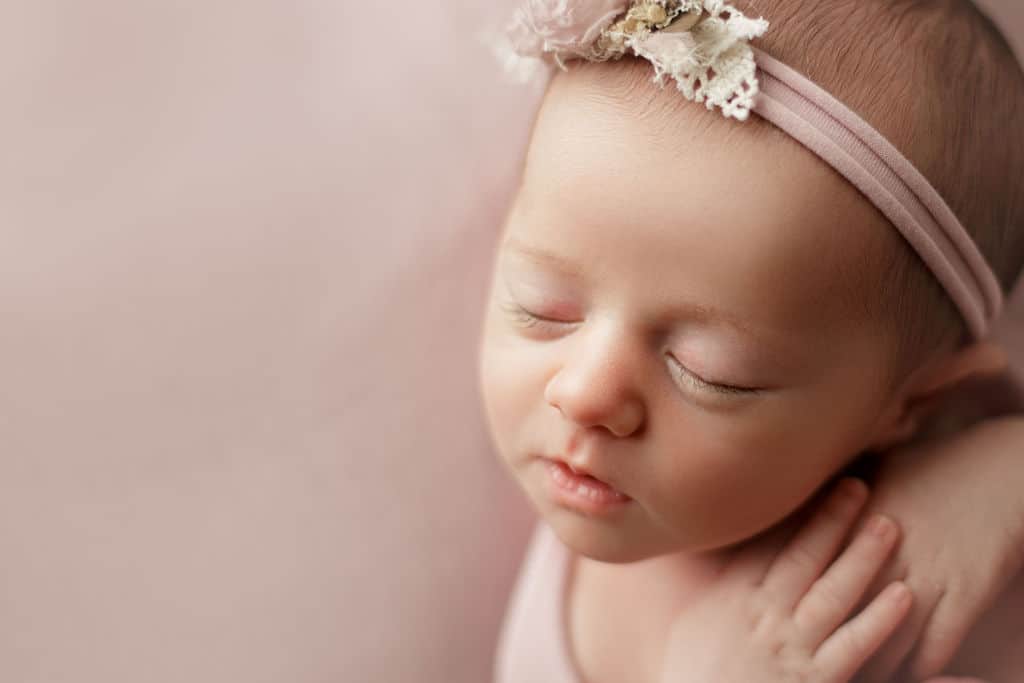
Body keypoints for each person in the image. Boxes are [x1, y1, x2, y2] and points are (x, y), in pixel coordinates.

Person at [477, 0, 1024, 680]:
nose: (585, 392)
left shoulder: (894, 609)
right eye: (542, 305)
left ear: (910, 404)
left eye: (710, 373)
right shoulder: (606, 483)